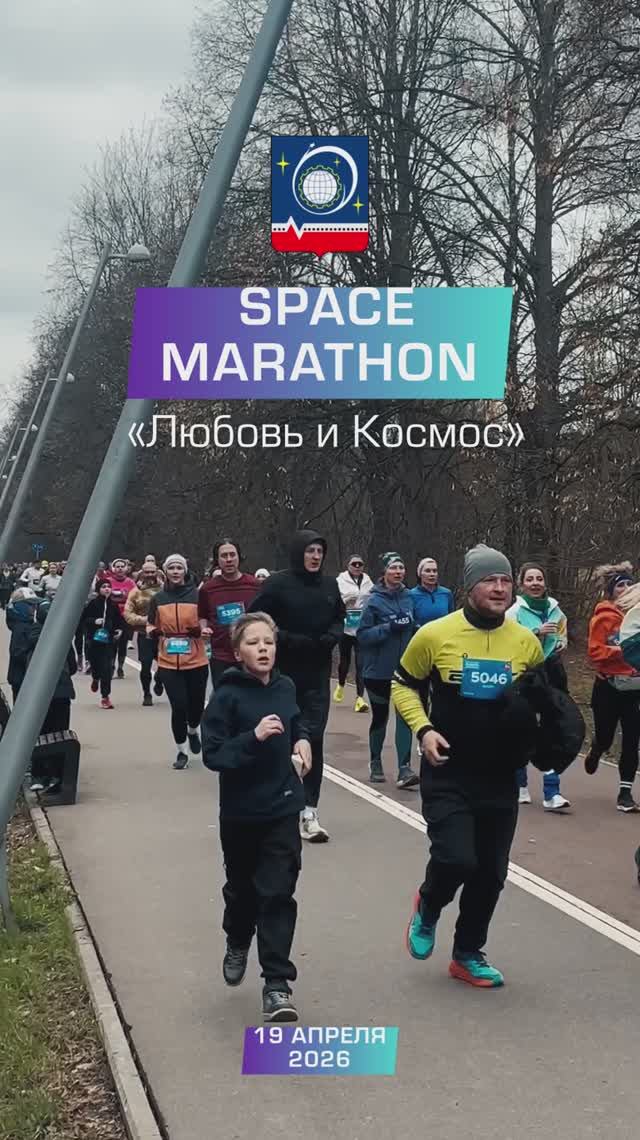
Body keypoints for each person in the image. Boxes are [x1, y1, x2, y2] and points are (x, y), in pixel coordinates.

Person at [392, 543, 544, 988]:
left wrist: (545, 732)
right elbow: (403, 685)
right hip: (449, 770)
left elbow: (545, 698)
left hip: (500, 774)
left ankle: (467, 954)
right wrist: (423, 730)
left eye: (505, 581)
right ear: (469, 587)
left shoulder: (526, 642)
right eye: (489, 581)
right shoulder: (435, 635)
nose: (499, 589)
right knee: (457, 858)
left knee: (492, 872)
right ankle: (428, 904)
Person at [202, 612, 310, 1023]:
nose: (263, 649)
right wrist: (254, 737)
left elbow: (297, 719)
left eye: (269, 642)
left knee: (278, 893)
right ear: (237, 652)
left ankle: (277, 986)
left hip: (283, 806)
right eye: (253, 643)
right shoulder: (227, 696)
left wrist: (302, 740)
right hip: (241, 812)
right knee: (243, 892)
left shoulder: (286, 687)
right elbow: (213, 754)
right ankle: (237, 938)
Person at [248, 529, 344, 843]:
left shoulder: (329, 585)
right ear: (298, 553)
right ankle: (275, 803)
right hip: (283, 674)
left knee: (313, 740)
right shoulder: (277, 584)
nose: (315, 557)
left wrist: (333, 636)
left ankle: (309, 812)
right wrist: (285, 639)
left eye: (319, 551)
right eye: (310, 551)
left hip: (317, 674)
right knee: (281, 739)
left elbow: (340, 617)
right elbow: (256, 619)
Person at [506, 563, 571, 811]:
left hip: (551, 673)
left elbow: (562, 634)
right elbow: (509, 642)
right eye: (530, 579)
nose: (535, 583)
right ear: (521, 584)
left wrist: (561, 643)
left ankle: (552, 792)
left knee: (552, 730)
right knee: (523, 729)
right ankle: (520, 785)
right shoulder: (514, 612)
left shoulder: (555, 608)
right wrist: (536, 632)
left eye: (539, 579)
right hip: (524, 674)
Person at [356, 553, 419, 787]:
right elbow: (362, 635)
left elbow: (413, 626)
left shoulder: (409, 597)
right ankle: (375, 762)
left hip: (404, 669)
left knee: (404, 717)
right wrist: (389, 627)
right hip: (378, 671)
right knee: (380, 717)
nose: (398, 572)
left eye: (401, 567)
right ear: (384, 572)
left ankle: (404, 769)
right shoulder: (373, 600)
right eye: (393, 568)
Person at [585, 563, 640, 812]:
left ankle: (625, 793)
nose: (626, 588)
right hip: (608, 686)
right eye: (620, 585)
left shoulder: (637, 617)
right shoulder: (603, 617)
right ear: (611, 591)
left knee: (632, 738)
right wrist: (622, 649)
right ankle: (597, 749)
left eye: (629, 584)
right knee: (606, 736)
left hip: (634, 686)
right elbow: (595, 652)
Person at [147, 554, 209, 770]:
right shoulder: (158, 598)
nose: (175, 572)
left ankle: (193, 730)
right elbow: (149, 624)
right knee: (179, 706)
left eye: (179, 568)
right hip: (168, 660)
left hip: (196, 659)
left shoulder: (198, 595)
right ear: (165, 571)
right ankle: (181, 751)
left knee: (196, 706)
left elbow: (206, 622)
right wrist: (154, 632)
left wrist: (199, 630)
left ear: (185, 571)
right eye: (171, 568)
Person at [26, 598, 77, 794]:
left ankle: (39, 774)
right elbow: (72, 665)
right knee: (59, 732)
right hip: (61, 691)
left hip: (37, 693)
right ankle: (57, 774)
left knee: (38, 732)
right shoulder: (62, 635)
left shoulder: (31, 635)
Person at [198, 539, 260, 688]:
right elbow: (202, 616)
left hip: (250, 653)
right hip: (221, 656)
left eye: (232, 555)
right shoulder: (208, 589)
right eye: (224, 556)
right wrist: (204, 629)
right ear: (217, 560)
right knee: (224, 697)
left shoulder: (254, 585)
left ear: (239, 557)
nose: (229, 559)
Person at [334, 555, 373, 712]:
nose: (357, 566)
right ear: (348, 565)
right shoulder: (340, 580)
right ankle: (341, 683)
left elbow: (372, 599)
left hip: (361, 627)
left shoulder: (368, 581)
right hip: (346, 626)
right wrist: (347, 599)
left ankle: (360, 698)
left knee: (360, 663)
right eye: (354, 564)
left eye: (360, 564)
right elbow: (335, 600)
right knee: (345, 660)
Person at [124, 560, 166, 706]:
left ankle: (159, 680)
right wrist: (146, 620)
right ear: (142, 573)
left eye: (152, 572)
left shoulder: (165, 590)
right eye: (147, 572)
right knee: (146, 666)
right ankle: (147, 693)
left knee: (165, 664)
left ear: (157, 572)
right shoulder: (135, 592)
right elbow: (128, 614)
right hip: (145, 634)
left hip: (163, 635)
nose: (149, 575)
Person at [82, 577, 125, 709]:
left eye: (108, 587)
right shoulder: (93, 604)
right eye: (103, 587)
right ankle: (95, 678)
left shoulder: (113, 605)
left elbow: (119, 620)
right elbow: (84, 619)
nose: (107, 589)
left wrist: (119, 629)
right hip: (94, 640)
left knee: (107, 668)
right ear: (98, 589)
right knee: (96, 665)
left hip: (109, 641)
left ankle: (105, 697)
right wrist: (94, 621)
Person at [103, 558, 137, 678]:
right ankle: (111, 666)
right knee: (112, 643)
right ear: (113, 569)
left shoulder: (130, 583)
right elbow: (103, 594)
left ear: (126, 569)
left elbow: (135, 598)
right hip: (112, 616)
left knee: (123, 643)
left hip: (125, 616)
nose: (120, 569)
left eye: (122, 566)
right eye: (117, 566)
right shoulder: (108, 581)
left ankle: (121, 667)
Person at [5, 587, 39, 703]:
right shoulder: (21, 627)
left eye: (34, 605)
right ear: (20, 606)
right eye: (30, 605)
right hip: (21, 678)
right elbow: (17, 652)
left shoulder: (24, 624)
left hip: (21, 677)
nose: (34, 608)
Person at [410, 558, 455, 626]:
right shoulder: (411, 595)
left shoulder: (446, 593)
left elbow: (451, 618)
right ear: (420, 574)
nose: (432, 574)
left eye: (434, 571)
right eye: (428, 571)